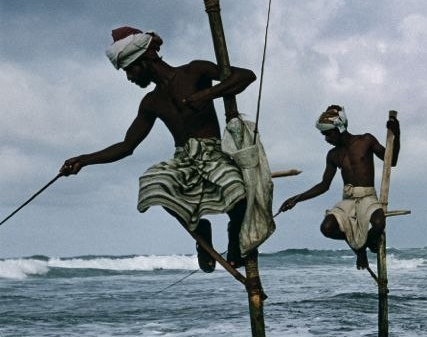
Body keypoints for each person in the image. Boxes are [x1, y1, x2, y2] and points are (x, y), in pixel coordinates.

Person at [60, 27, 257, 272]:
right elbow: (126, 146)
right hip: (183, 160)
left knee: (237, 192)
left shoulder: (194, 71)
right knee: (152, 183)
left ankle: (236, 243)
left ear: (146, 59)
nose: (130, 77)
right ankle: (200, 231)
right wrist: (84, 160)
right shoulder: (151, 102)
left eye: (130, 69)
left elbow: (246, 76)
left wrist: (208, 94)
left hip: (214, 153)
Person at [279, 105, 400, 270]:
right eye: (324, 135)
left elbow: (391, 161)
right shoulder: (333, 155)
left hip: (367, 197)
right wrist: (296, 199)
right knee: (326, 228)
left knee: (379, 224)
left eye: (328, 134)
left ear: (340, 128)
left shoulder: (366, 141)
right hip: (348, 199)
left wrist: (396, 133)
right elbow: (324, 185)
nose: (326, 139)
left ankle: (364, 246)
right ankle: (360, 249)